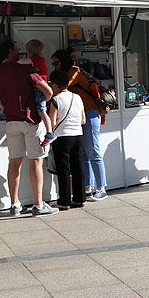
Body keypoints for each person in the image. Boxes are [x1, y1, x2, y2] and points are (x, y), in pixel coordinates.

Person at [0, 40, 57, 216]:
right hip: (30, 119)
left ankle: (14, 204)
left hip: (11, 120)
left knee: (14, 162)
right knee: (35, 160)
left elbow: (0, 99)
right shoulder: (24, 69)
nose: (19, 51)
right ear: (10, 51)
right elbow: (48, 91)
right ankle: (38, 204)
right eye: (16, 48)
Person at [51, 49, 108, 202]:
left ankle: (101, 187)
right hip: (80, 115)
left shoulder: (74, 72)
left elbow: (63, 86)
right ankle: (88, 187)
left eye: (56, 63)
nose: (54, 66)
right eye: (53, 64)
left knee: (93, 150)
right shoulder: (69, 72)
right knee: (83, 154)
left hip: (89, 112)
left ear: (63, 61)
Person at [48, 69, 87, 210]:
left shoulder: (55, 100)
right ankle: (80, 198)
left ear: (56, 85)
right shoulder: (77, 97)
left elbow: (52, 123)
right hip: (78, 135)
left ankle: (64, 200)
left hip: (62, 137)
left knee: (63, 169)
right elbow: (83, 120)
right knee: (78, 167)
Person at [19, 39, 54, 147]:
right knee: (39, 109)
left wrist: (14, 62)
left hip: (40, 86)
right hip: (38, 86)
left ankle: (49, 133)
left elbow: (25, 62)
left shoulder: (37, 59)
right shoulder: (39, 59)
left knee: (41, 110)